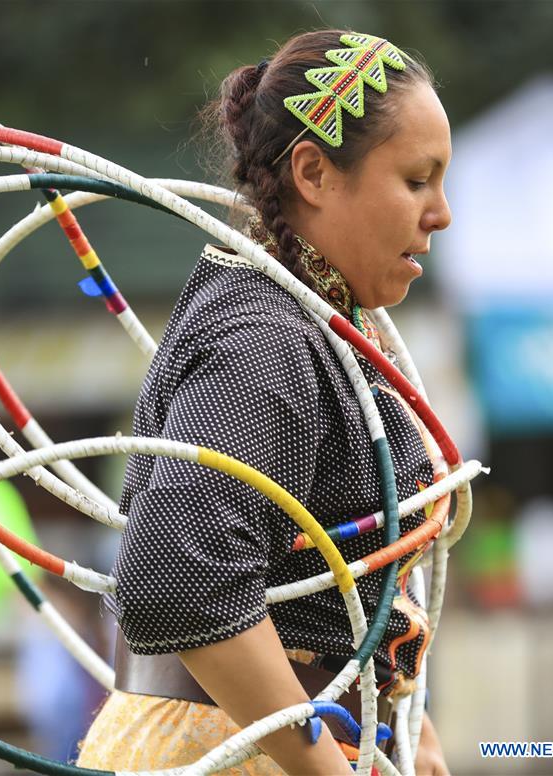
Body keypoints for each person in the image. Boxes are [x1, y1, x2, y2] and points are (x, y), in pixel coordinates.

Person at [77, 29, 452, 775]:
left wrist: (408, 725)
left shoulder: (311, 323)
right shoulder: (261, 335)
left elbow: (334, 593)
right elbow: (182, 583)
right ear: (313, 172)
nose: (439, 213)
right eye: (416, 180)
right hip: (229, 753)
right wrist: (322, 766)